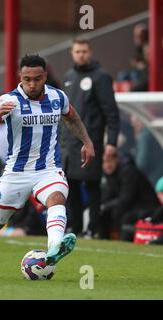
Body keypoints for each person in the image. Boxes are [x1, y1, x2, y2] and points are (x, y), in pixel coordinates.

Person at [0, 54, 95, 277]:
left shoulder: (57, 97)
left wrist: (87, 141)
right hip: (16, 173)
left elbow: (71, 117)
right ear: (19, 77)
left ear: (45, 76)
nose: (32, 84)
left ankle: (54, 249)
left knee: (57, 199)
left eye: (37, 78)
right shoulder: (9, 100)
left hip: (48, 168)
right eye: (27, 79)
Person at [61, 37, 120, 238]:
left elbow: (111, 112)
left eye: (84, 51)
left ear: (90, 52)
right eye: (77, 51)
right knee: (70, 184)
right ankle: (74, 228)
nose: (81, 55)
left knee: (92, 184)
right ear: (72, 53)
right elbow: (64, 112)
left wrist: (111, 142)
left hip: (90, 141)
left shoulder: (101, 77)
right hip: (68, 143)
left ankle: (93, 228)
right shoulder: (68, 76)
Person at [99, 151, 161, 241]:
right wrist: (102, 206)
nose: (107, 165)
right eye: (104, 162)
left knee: (122, 215)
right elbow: (108, 197)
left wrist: (105, 206)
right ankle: (103, 240)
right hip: (133, 206)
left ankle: (120, 240)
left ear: (117, 160)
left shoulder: (128, 172)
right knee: (103, 213)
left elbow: (126, 199)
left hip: (147, 207)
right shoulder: (110, 176)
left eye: (110, 161)